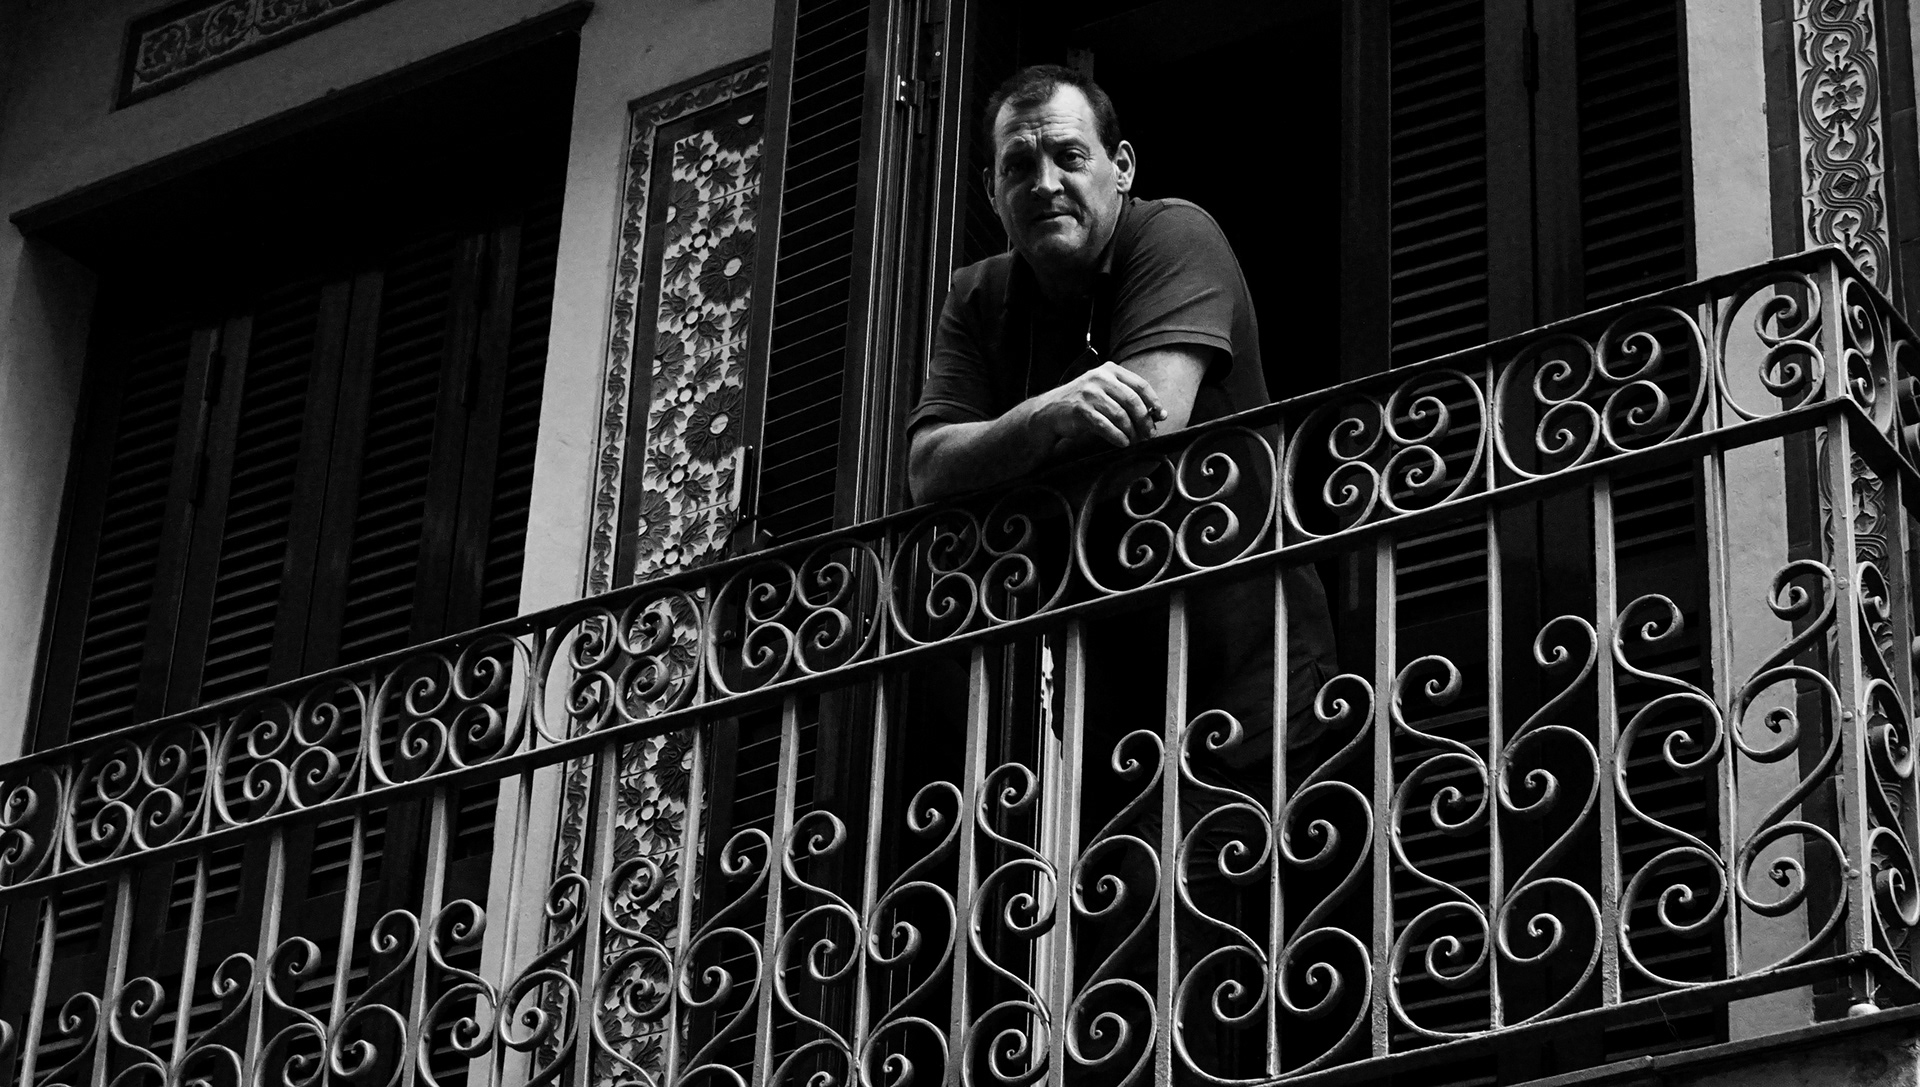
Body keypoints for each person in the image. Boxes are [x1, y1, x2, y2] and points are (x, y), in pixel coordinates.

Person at [906, 63, 1336, 771]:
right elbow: (928, 467)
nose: (1044, 183)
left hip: (1258, 686)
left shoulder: (1174, 235)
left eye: (1070, 156)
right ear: (991, 190)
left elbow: (1147, 430)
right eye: (1018, 165)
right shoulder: (978, 297)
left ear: (1122, 167)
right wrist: (1048, 415)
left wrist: (996, 466)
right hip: (1106, 708)